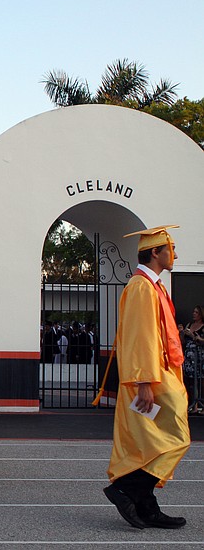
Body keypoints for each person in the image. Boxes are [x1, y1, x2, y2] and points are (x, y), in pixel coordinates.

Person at [103, 225, 190, 530]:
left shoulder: (154, 287)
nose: (175, 254)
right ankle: (127, 488)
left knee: (150, 442)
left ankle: (146, 506)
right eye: (171, 248)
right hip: (151, 376)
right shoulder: (141, 287)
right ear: (156, 252)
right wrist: (143, 382)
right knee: (176, 437)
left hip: (160, 372)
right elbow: (141, 337)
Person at [181, 305, 204, 413]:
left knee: (199, 380)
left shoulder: (203, 326)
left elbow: (201, 340)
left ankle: (200, 403)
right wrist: (182, 333)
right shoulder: (190, 325)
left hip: (199, 355)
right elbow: (183, 342)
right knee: (189, 379)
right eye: (193, 312)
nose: (194, 314)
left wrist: (194, 336)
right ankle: (192, 405)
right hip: (189, 355)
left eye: (196, 312)